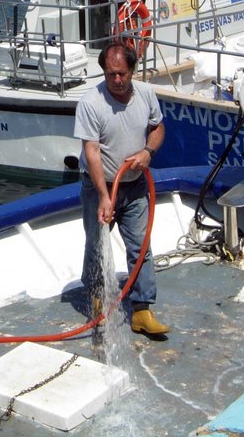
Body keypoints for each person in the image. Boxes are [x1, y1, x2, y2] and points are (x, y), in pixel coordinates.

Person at [74, 42, 168, 337]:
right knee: (97, 245)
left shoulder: (147, 94)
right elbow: (91, 152)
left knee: (141, 246)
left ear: (132, 70)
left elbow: (158, 127)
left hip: (135, 185)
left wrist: (148, 153)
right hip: (99, 185)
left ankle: (142, 310)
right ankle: (97, 297)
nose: (116, 80)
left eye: (122, 74)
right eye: (110, 74)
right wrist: (104, 195)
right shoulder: (91, 103)